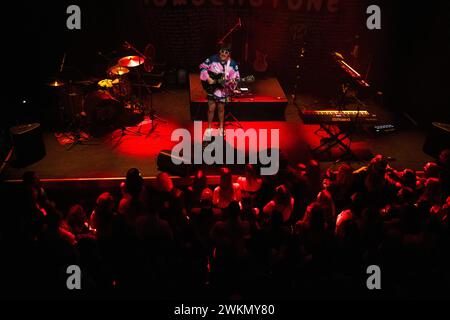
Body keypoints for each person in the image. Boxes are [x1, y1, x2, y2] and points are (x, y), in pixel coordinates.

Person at [199, 42, 240, 137]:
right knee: (210, 108)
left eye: (226, 52)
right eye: (222, 51)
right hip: (211, 88)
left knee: (221, 109)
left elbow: (236, 77)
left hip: (223, 90)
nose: (224, 54)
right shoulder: (212, 59)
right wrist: (208, 78)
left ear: (229, 53)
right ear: (219, 51)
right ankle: (209, 128)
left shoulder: (233, 64)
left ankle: (221, 128)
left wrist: (232, 82)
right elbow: (202, 67)